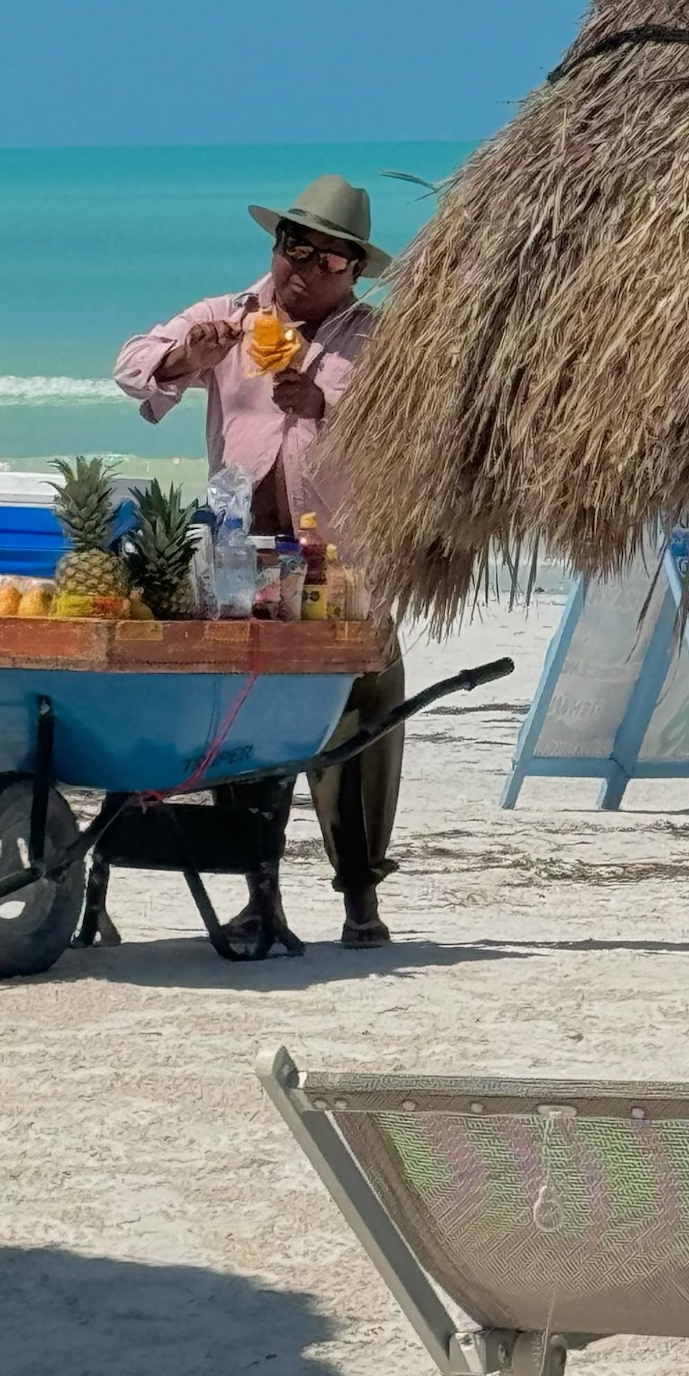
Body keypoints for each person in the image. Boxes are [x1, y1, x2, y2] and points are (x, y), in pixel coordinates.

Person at [114, 173, 403, 949]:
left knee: (360, 721)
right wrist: (184, 357)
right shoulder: (229, 317)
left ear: (354, 270)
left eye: (328, 259)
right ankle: (257, 894)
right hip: (244, 557)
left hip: (341, 560)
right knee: (242, 721)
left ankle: (360, 898)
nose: (303, 270)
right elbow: (131, 365)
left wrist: (329, 408)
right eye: (294, 248)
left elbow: (412, 429)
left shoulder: (380, 340)